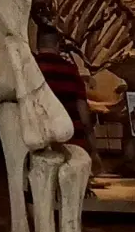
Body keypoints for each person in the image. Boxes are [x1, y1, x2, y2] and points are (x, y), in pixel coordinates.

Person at [34, 22, 95, 158]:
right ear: (57, 45)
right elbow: (84, 115)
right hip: (73, 144)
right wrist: (93, 149)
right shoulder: (71, 70)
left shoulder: (32, 70)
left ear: (37, 45)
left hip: (42, 143)